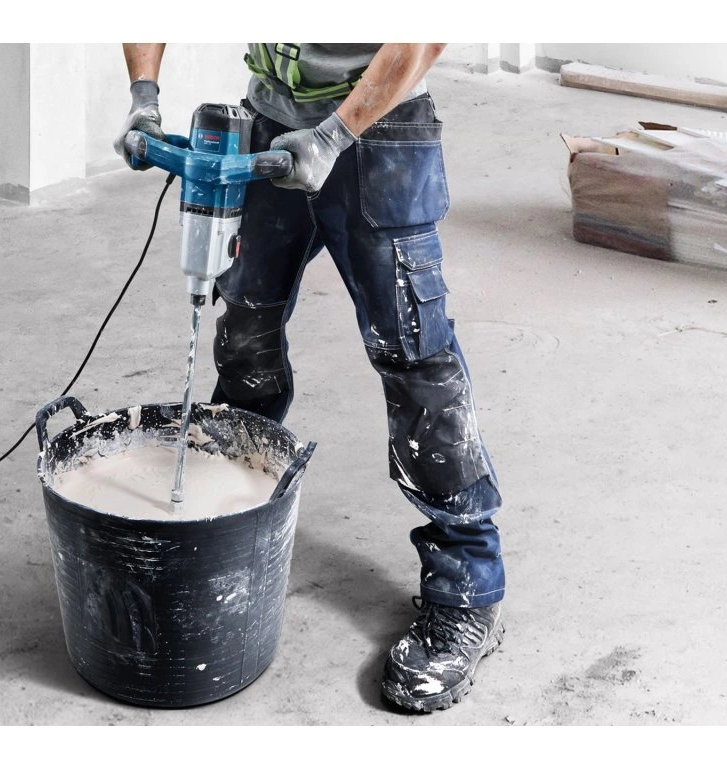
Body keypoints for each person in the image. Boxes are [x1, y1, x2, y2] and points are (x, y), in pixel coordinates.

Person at [113, 43, 505, 713]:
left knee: (414, 358)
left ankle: (467, 589)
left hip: (378, 128)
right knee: (246, 336)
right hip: (269, 123)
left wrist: (332, 136)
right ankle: (227, 527)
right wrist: (143, 98)